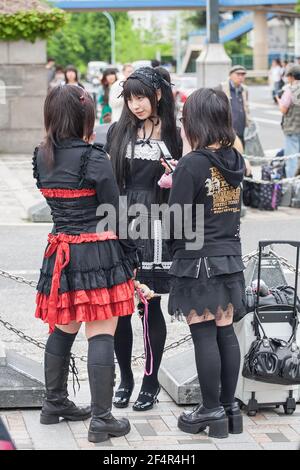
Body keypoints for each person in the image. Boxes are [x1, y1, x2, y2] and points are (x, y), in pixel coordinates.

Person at [33, 85, 139, 443]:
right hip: (97, 253)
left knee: (63, 328)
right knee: (101, 331)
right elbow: (115, 213)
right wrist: (131, 254)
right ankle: (102, 418)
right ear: (85, 117)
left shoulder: (41, 156)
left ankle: (54, 403)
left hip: (60, 252)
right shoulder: (94, 158)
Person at [167, 88, 246, 439]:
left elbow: (176, 222)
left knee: (203, 334)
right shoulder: (235, 160)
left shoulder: (193, 163)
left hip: (199, 260)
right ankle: (229, 409)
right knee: (225, 332)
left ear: (194, 121)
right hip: (229, 256)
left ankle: (210, 410)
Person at [105, 67, 182, 411]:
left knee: (150, 307)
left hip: (158, 223)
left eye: (142, 97)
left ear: (158, 95)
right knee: (121, 308)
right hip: (121, 222)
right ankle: (126, 379)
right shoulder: (118, 131)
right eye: (131, 98)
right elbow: (108, 180)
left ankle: (150, 382)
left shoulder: (176, 135)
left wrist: (175, 174)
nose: (136, 105)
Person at [276, 65, 300, 178]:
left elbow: (284, 109)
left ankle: (292, 185)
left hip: (292, 129)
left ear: (292, 77)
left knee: (292, 159)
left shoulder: (290, 91)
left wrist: (279, 101)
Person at [219, 65, 250, 146]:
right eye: (238, 74)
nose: (240, 77)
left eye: (243, 75)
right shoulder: (221, 88)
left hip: (241, 128)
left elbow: (246, 108)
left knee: (241, 153)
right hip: (226, 129)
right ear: (230, 75)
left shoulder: (244, 89)